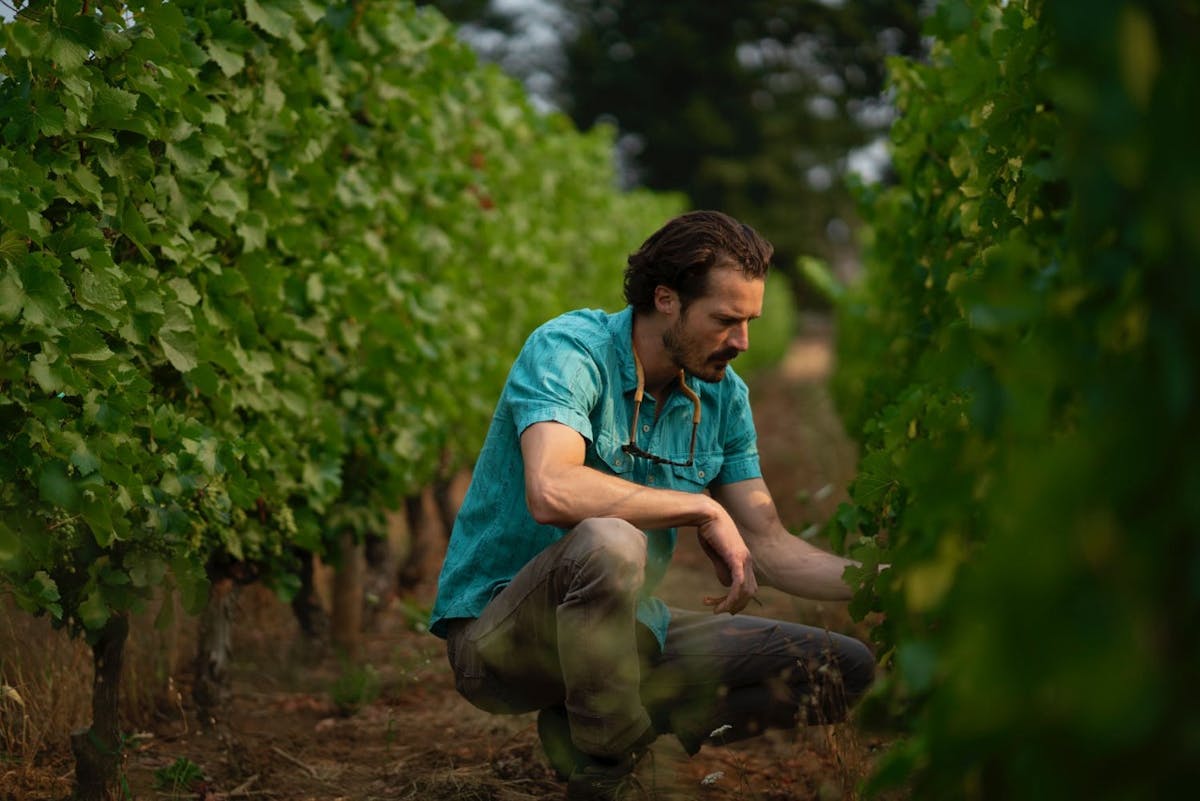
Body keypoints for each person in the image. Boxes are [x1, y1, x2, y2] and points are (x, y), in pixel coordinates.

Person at [430, 210, 876, 800]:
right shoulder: (570, 351)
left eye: (749, 322)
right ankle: (611, 770)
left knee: (841, 667)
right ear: (666, 299)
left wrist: (891, 582)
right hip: (503, 642)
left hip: (624, 638)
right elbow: (552, 489)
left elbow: (769, 545)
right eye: (725, 320)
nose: (741, 342)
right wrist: (701, 509)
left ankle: (619, 736)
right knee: (611, 539)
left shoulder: (723, 398)